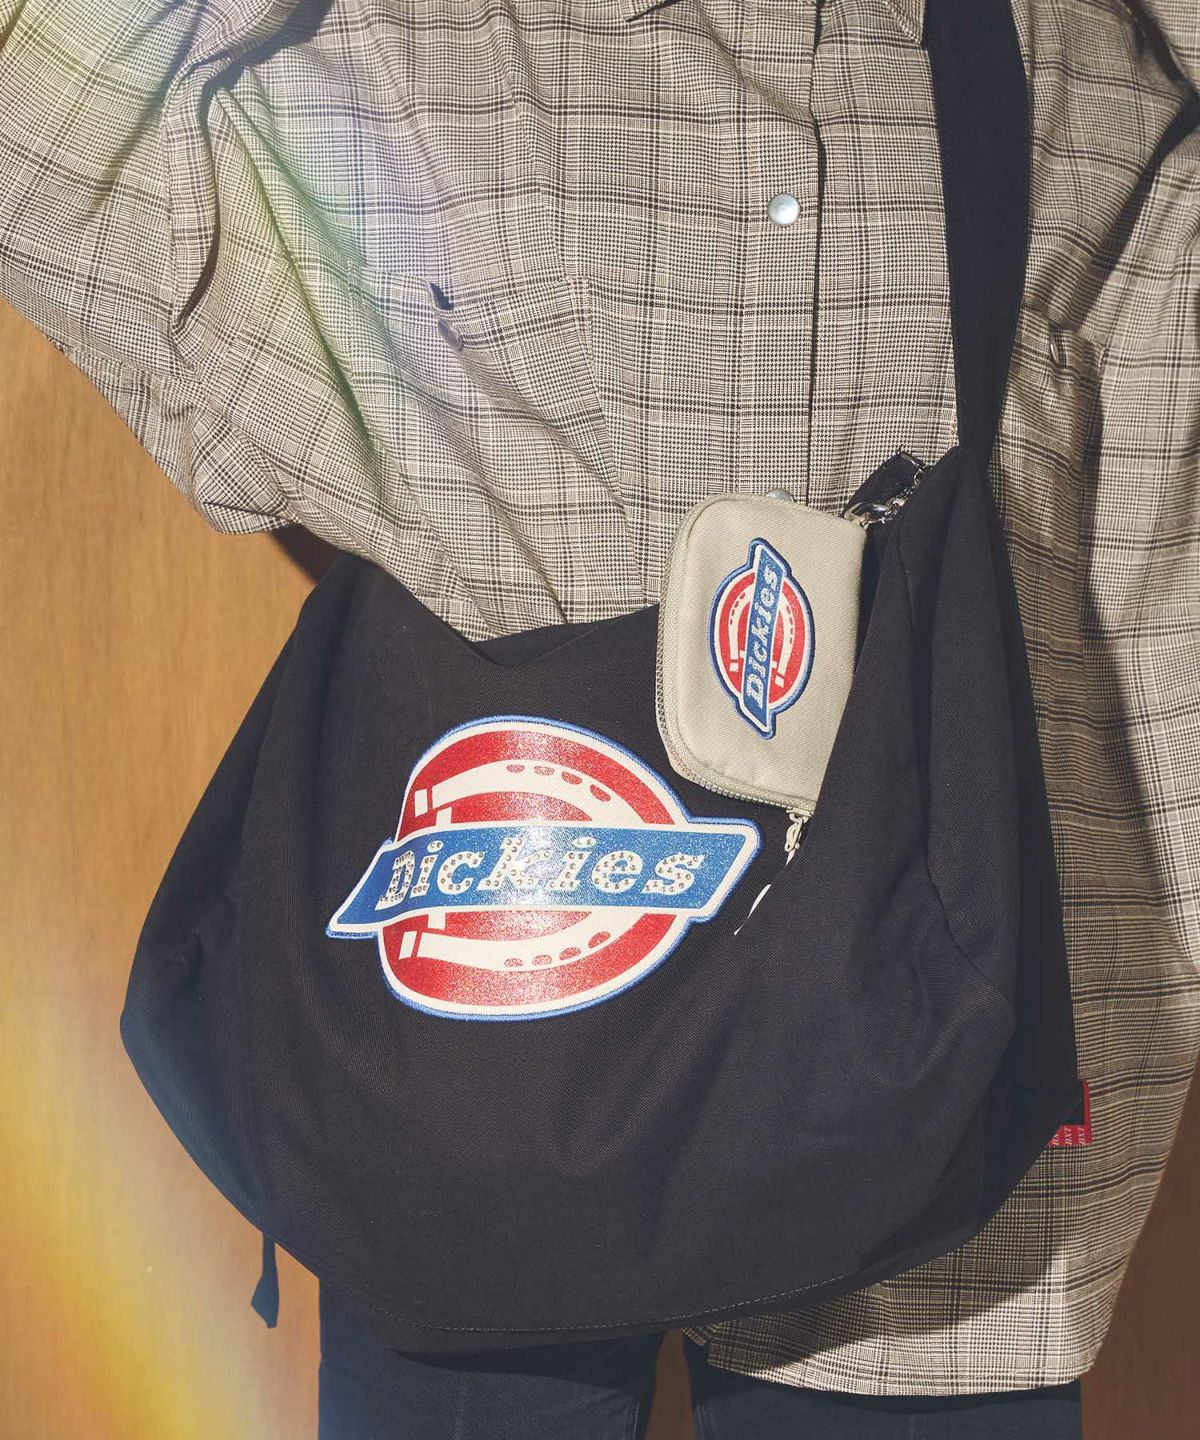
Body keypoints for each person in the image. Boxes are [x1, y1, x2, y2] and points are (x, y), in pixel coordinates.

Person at [1, 0, 1197, 1435]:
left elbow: (1156, 612)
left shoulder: (1089, 72)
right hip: (476, 1098)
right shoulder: (401, 48)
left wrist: (1105, 1040)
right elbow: (51, 131)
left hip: (943, 1180)